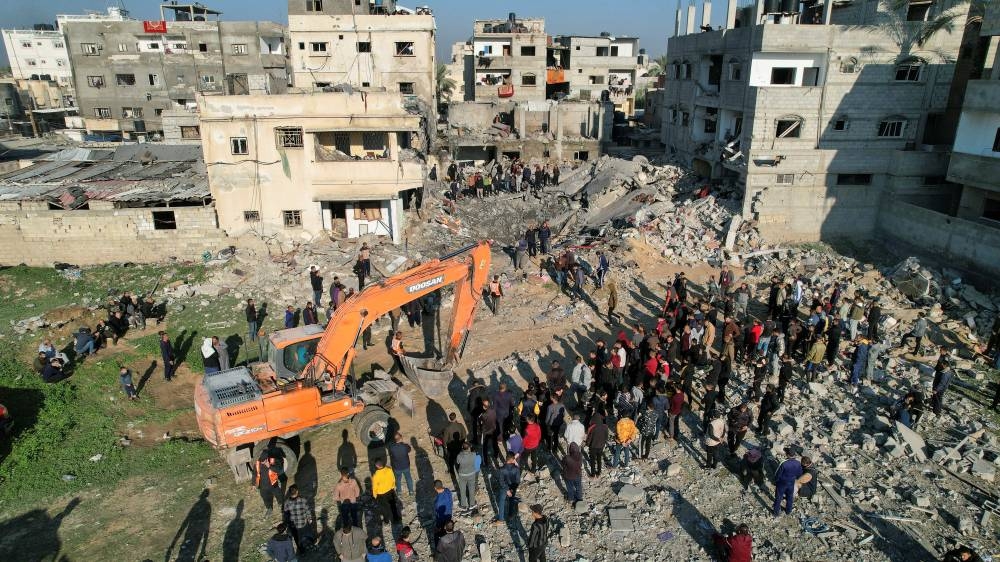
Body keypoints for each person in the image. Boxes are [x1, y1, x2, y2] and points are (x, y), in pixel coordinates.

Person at [283, 484, 315, 552]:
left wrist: (287, 523)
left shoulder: (287, 502)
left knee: (297, 537)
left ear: (289, 493)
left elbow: (286, 514)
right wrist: (310, 518)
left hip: (294, 524)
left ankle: (301, 549)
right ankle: (310, 544)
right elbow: (307, 510)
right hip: (303, 522)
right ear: (297, 491)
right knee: (307, 533)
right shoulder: (303, 500)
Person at [255, 449, 285, 519]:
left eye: (263, 461)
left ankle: (281, 504)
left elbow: (279, 469)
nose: (262, 462)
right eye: (261, 461)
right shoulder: (258, 462)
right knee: (265, 498)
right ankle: (269, 508)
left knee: (278, 494)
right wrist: (254, 484)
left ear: (267, 459)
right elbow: (255, 473)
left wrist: (270, 466)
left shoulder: (273, 461)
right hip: (263, 486)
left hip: (273, 484)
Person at [773, 448, 804, 517]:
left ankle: (776, 512)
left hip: (782, 483)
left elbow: (778, 474)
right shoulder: (798, 463)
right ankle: (788, 511)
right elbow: (799, 474)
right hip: (791, 482)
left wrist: (775, 481)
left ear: (788, 455)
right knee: (790, 497)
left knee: (779, 497)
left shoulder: (784, 463)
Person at [371, 460, 400, 528]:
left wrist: (375, 495)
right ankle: (396, 519)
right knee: (393, 505)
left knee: (384, 508)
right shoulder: (389, 470)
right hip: (390, 491)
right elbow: (393, 479)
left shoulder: (376, 475)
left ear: (376, 466)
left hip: (381, 494)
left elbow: (375, 487)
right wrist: (392, 487)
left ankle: (386, 520)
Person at [494, 453, 521, 524]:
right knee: (511, 500)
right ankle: (510, 516)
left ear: (506, 459)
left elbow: (501, 481)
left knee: (501, 502)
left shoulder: (502, 469)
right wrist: (512, 489)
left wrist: (507, 490)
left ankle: (501, 519)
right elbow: (517, 481)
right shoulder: (516, 469)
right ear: (512, 460)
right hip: (513, 487)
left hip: (504, 488)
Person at [455, 441, 481, 511]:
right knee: (471, 489)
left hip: (462, 474)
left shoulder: (459, 456)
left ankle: (463, 505)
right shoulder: (474, 454)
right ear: (469, 448)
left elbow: (457, 463)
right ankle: (472, 504)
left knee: (462, 490)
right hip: (471, 474)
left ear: (462, 448)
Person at [388, 432, 414, 497]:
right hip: (406, 466)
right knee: (408, 478)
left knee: (398, 479)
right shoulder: (405, 446)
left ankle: (399, 491)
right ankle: (411, 491)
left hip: (397, 467)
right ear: (401, 438)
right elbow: (409, 449)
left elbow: (391, 452)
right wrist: (403, 443)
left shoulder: (392, 447)